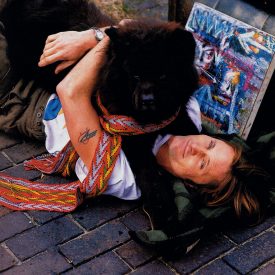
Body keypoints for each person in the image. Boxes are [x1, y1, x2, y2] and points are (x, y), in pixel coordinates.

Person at [0, 19, 273, 227]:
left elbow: (71, 92)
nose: (197, 148)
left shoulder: (124, 176)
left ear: (192, 185)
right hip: (47, 57)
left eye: (202, 163)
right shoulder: (185, 111)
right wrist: (91, 36)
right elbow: (134, 33)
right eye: (211, 145)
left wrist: (98, 39)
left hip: (22, 97)